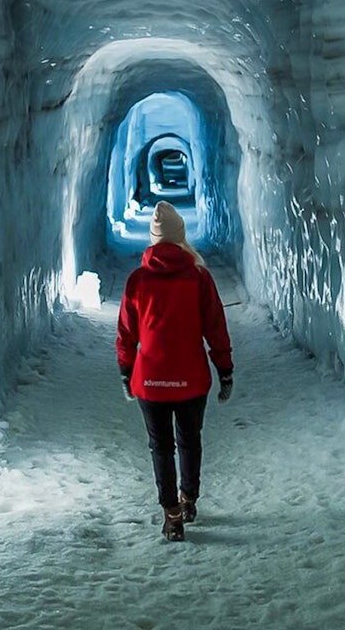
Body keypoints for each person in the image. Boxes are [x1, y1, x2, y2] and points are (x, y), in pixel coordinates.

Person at [116, 201, 234, 542]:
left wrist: (126, 370)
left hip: (150, 380)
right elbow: (215, 326)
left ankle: (171, 515)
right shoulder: (198, 277)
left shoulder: (138, 280)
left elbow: (126, 332)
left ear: (153, 241)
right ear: (181, 238)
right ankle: (189, 500)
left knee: (161, 447)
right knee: (189, 441)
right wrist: (224, 368)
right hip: (192, 379)